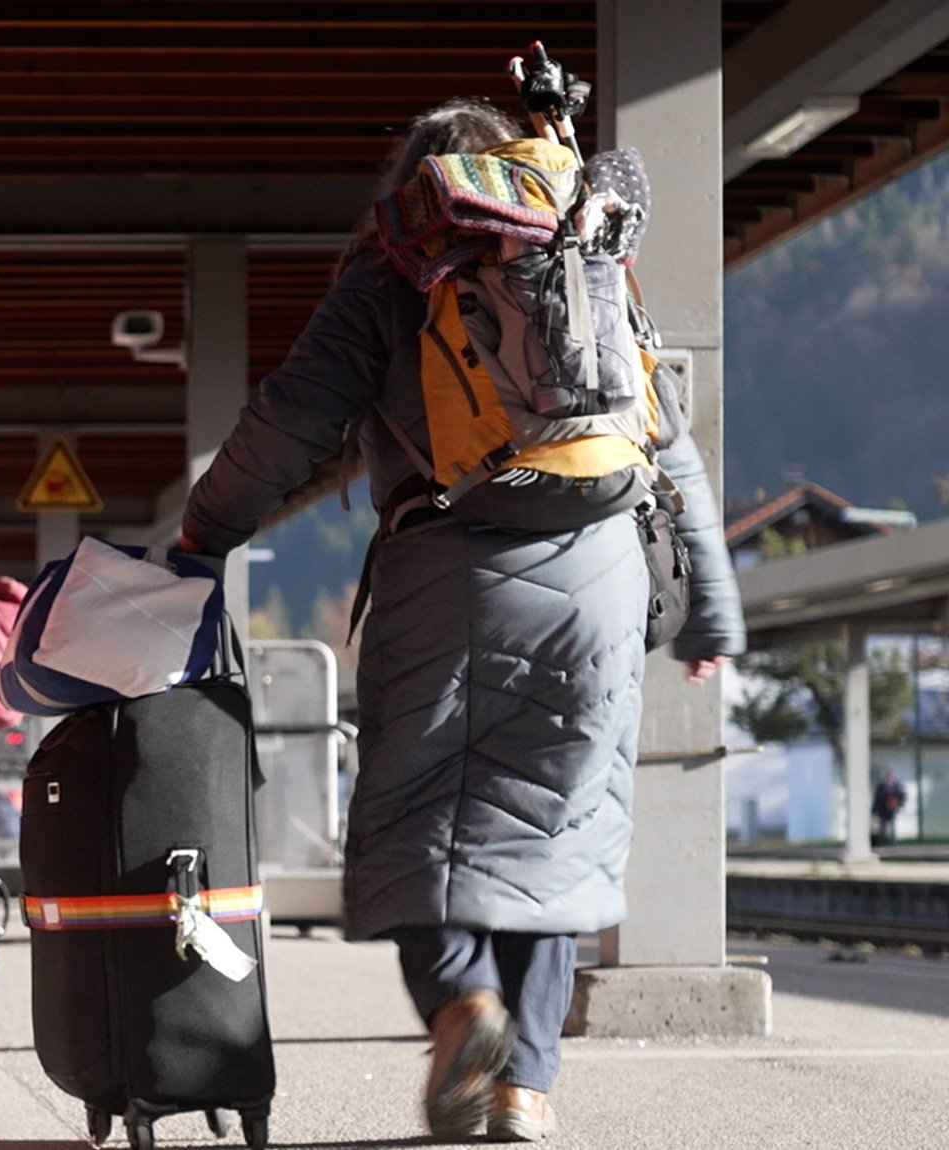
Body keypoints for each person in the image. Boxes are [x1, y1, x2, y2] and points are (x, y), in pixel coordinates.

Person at [180, 100, 745, 1142]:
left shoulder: (393, 271)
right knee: (557, 833)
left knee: (413, 820)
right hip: (603, 579)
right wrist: (710, 608)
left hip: (446, 572)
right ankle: (522, 1085)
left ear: (414, 181)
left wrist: (201, 533)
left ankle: (459, 1004)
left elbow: (289, 418)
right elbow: (670, 450)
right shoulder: (587, 268)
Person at [872, 770, 908, 846]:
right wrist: (874, 810)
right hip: (882, 809)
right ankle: (882, 842)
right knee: (882, 826)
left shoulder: (897, 786)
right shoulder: (881, 786)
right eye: (888, 777)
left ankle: (892, 842)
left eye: (891, 777)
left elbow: (902, 796)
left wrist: (899, 805)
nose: (889, 778)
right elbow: (877, 798)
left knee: (892, 825)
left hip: (892, 809)